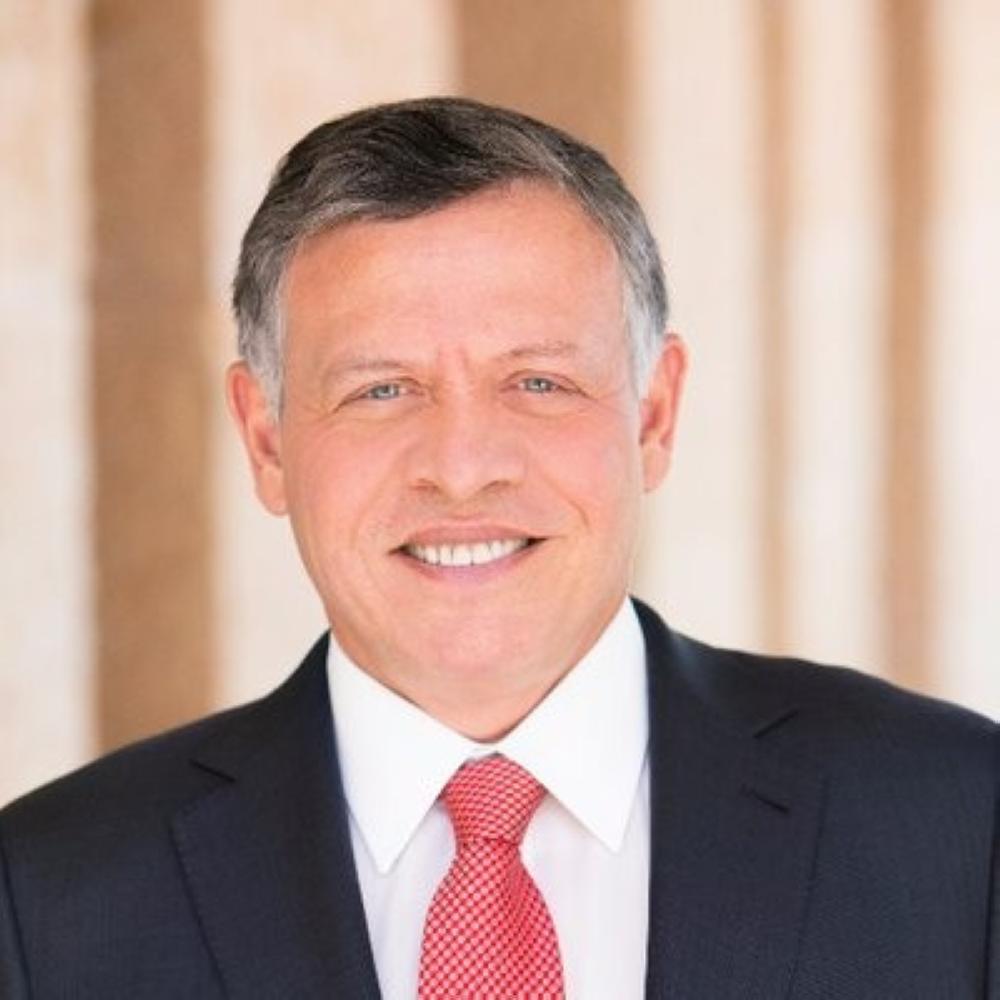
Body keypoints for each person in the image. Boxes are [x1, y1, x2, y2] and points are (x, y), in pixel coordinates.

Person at [0, 97, 996, 999]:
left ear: (653, 415)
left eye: (538, 382)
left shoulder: (962, 825)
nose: (463, 468)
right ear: (266, 441)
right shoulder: (47, 899)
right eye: (382, 389)